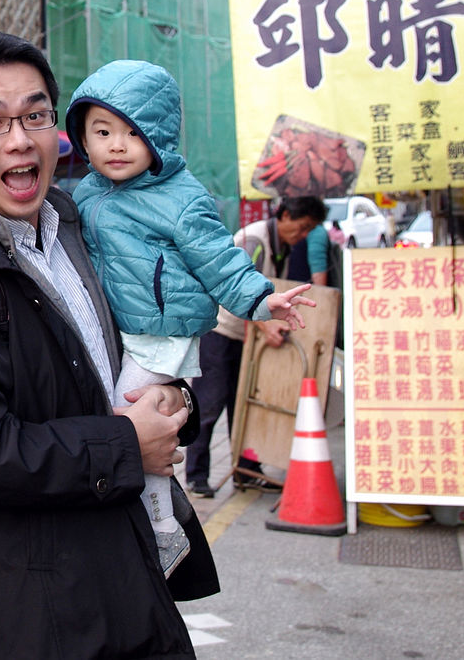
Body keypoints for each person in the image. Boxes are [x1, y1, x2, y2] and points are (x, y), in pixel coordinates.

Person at [0, 32, 205, 660]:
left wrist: (170, 400)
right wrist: (127, 444)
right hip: (29, 608)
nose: (19, 139)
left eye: (34, 115)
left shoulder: (85, 229)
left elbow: (136, 352)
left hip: (130, 567)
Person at [65, 60, 314, 568]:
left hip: (160, 332)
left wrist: (263, 300)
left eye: (132, 132)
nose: (116, 144)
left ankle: (160, 527)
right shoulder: (86, 193)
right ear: (83, 138)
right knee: (119, 417)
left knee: (132, 421)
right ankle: (142, 520)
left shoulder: (181, 198)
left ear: (156, 135)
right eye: (103, 131)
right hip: (118, 330)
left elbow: (219, 259)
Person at [179, 194, 326, 498]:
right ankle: (196, 475)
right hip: (221, 331)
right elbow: (231, 287)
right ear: (284, 214)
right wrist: (264, 324)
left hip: (248, 337)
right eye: (302, 226)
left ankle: (248, 470)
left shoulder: (285, 244)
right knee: (210, 402)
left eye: (309, 230)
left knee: (244, 403)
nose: (302, 235)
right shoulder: (254, 238)